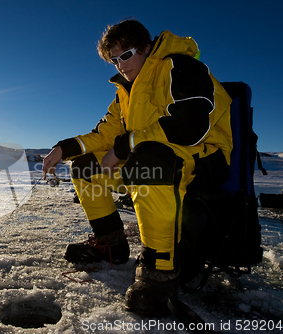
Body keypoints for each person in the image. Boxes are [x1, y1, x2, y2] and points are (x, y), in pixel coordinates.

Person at [42, 18, 232, 317]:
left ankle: (160, 272)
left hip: (202, 158)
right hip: (153, 158)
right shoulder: (125, 91)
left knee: (148, 159)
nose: (120, 65)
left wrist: (122, 148)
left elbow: (190, 127)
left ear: (145, 47)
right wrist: (63, 148)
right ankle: (111, 245)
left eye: (126, 55)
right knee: (84, 166)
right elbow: (104, 133)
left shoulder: (180, 67)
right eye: (114, 60)